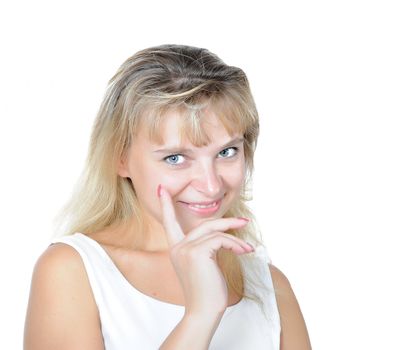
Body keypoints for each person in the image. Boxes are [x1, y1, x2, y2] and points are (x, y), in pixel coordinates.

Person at [23, 44, 312, 349]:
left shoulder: (269, 285)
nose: (211, 185)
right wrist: (200, 316)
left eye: (227, 152)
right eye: (175, 158)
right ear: (120, 159)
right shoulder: (72, 272)